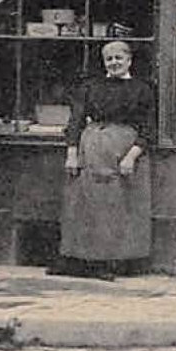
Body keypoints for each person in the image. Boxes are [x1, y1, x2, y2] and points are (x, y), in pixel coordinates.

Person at [58, 41, 155, 280]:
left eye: (119, 58)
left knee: (118, 207)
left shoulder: (142, 89)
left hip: (123, 153)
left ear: (129, 60)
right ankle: (82, 261)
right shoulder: (91, 87)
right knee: (84, 206)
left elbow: (149, 127)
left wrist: (132, 156)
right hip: (90, 151)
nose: (114, 63)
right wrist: (72, 153)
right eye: (109, 59)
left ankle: (113, 262)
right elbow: (76, 121)